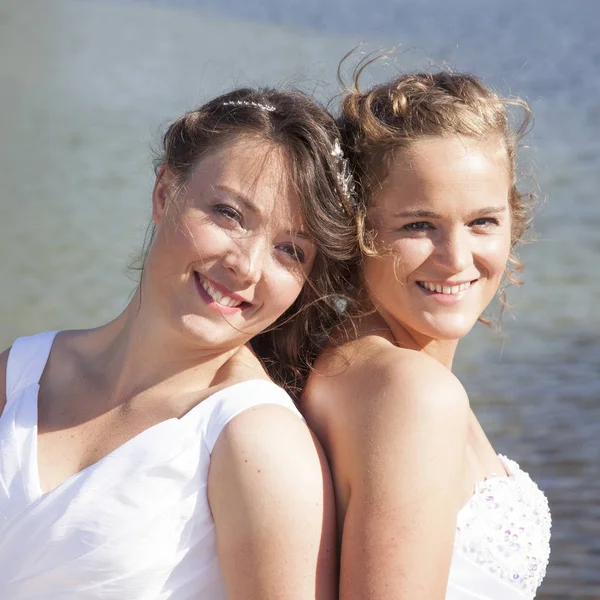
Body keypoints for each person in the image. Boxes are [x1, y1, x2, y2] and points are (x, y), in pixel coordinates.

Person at [0, 86, 357, 599]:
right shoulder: (24, 369)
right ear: (165, 193)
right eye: (230, 214)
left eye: (290, 250)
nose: (246, 265)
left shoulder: (257, 442)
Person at [303, 65, 551, 600]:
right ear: (356, 230)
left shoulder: (358, 364)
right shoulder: (412, 393)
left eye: (483, 221)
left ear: (514, 220)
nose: (456, 259)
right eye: (418, 225)